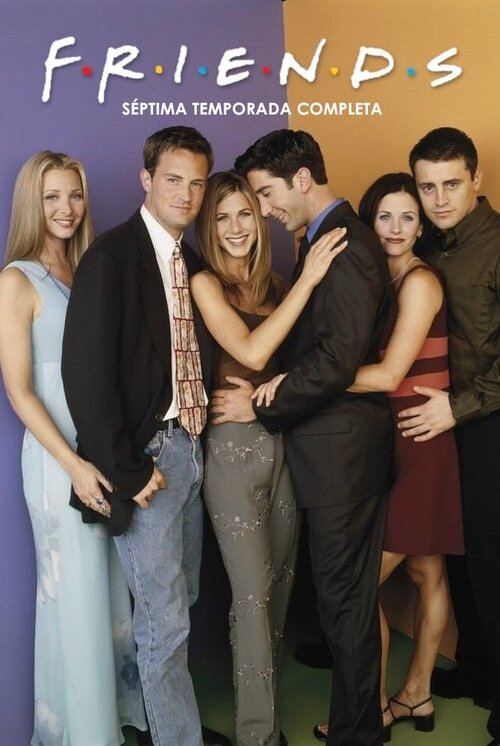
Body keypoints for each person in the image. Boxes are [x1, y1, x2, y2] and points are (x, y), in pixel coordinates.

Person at [211, 129, 393, 746]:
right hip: (327, 450)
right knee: (340, 602)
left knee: (345, 604)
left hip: (343, 453)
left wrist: (261, 401)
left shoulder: (346, 245)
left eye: (266, 194)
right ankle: (355, 728)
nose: (263, 210)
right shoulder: (320, 241)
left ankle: (358, 735)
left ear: (303, 179)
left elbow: (338, 361)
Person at [61, 128, 230, 746]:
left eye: (197, 182)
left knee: (181, 605)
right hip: (147, 460)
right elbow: (85, 377)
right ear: (147, 180)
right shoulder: (110, 258)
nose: (186, 194)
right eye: (173, 179)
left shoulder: (194, 263)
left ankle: (166, 724)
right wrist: (128, 471)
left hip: (192, 448)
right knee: (164, 620)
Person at [191, 170, 347, 746]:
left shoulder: (279, 285)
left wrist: (261, 399)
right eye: (222, 217)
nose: (235, 228)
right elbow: (252, 351)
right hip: (231, 452)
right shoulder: (205, 283)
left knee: (280, 587)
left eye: (244, 214)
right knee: (252, 595)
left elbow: (303, 370)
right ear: (209, 228)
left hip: (284, 440)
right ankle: (258, 734)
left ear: (259, 221)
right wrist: (310, 280)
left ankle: (265, 716)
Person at [307, 172, 464, 743]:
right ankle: (413, 694)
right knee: (425, 570)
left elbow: (389, 375)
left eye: (408, 217)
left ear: (421, 228)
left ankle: (372, 704)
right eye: (385, 217)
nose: (396, 228)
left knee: (362, 582)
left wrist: (304, 381)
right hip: (389, 438)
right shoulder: (377, 279)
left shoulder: (419, 282)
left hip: (422, 439)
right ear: (369, 222)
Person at [0, 151, 147, 746]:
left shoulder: (89, 269)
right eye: (52, 196)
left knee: (109, 596)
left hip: (102, 454)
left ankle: (109, 723)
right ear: (32, 204)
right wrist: (74, 467)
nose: (66, 208)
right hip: (58, 461)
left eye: (76, 195)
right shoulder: (16, 280)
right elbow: (18, 390)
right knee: (76, 601)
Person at [398, 127, 500, 746]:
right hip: (442, 423)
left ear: (476, 180)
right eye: (427, 186)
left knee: (492, 562)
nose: (438, 199)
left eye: (451, 184)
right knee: (457, 555)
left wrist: (457, 409)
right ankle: (480, 673)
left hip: (485, 420)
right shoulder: (425, 244)